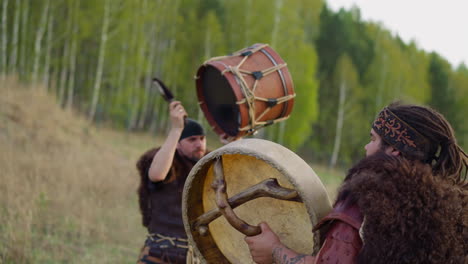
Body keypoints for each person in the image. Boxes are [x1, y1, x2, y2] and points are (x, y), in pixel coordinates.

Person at [245, 102, 468, 264]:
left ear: (393, 149)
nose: (366, 148)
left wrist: (274, 250)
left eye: (372, 139)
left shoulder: (369, 203)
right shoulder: (452, 214)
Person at [136, 101, 207, 264]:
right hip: (160, 254)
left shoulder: (206, 165)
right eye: (192, 139)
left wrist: (233, 142)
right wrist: (176, 129)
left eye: (202, 138)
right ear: (178, 144)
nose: (199, 144)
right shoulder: (168, 161)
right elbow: (156, 174)